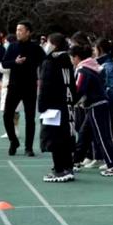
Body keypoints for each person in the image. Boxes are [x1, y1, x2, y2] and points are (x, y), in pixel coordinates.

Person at [70, 44, 113, 177]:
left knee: (102, 136)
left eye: (71, 57)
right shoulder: (92, 67)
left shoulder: (82, 70)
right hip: (94, 106)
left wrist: (70, 102)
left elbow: (78, 89)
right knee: (84, 134)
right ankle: (75, 161)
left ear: (76, 57)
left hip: (96, 105)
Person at [2, 21, 45, 157]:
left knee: (30, 118)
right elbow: (4, 63)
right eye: (17, 30)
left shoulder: (35, 48)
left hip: (30, 87)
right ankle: (13, 141)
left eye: (21, 30)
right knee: (7, 115)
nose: (18, 32)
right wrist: (14, 62)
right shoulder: (12, 47)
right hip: (14, 86)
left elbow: (45, 62)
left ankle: (29, 147)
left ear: (28, 32)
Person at [37, 33, 75, 182]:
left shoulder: (50, 62)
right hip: (67, 105)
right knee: (66, 137)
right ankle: (68, 168)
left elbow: (45, 85)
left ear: (54, 45)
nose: (45, 45)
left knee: (53, 138)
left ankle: (59, 170)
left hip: (53, 106)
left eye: (48, 42)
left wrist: (41, 105)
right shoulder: (67, 61)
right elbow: (72, 84)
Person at [94, 38, 113, 127]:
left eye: (95, 49)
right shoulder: (103, 64)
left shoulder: (108, 66)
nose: (94, 52)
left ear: (100, 49)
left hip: (107, 106)